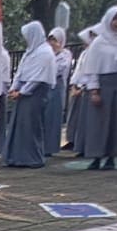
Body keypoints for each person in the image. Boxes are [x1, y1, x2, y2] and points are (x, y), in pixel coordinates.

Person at [76, 6, 117, 170]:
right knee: (99, 122)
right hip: (105, 85)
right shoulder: (99, 42)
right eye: (116, 19)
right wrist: (94, 90)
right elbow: (92, 68)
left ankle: (112, 157)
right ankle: (97, 156)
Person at [1, 21, 57, 169]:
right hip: (24, 92)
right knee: (20, 126)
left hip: (36, 94)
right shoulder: (29, 52)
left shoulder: (45, 53)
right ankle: (17, 157)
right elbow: (20, 72)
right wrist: (14, 88)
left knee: (32, 126)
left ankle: (33, 157)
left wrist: (23, 91)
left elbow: (38, 78)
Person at [63, 28, 96, 155]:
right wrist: (74, 84)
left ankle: (84, 143)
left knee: (84, 118)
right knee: (74, 116)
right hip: (78, 87)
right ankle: (73, 139)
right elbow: (78, 70)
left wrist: (82, 87)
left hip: (86, 88)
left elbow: (90, 73)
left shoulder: (94, 54)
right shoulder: (84, 53)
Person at [44, 28, 72, 156]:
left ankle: (51, 147)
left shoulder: (65, 54)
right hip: (46, 87)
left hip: (57, 87)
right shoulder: (45, 53)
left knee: (53, 117)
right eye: (50, 40)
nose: (52, 43)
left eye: (54, 40)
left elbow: (59, 70)